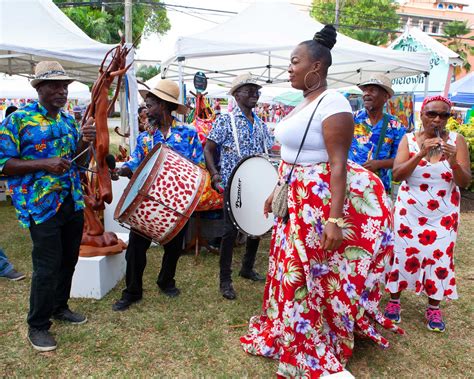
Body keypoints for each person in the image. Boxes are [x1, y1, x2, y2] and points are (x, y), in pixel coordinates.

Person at [240, 25, 402, 377]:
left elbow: (338, 164)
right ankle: (289, 331)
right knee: (288, 270)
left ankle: (309, 344)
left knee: (304, 275)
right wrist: (276, 191)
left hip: (315, 204)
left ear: (316, 67)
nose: (289, 69)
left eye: (295, 62)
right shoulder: (305, 102)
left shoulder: (335, 104)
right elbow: (292, 154)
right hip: (293, 198)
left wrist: (334, 220)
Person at [0, 61, 95, 352]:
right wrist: (45, 163)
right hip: (40, 206)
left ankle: (59, 306)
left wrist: (83, 142)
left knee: (69, 259)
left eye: (65, 86)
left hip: (71, 201)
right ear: (39, 88)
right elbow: (4, 164)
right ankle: (37, 326)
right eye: (54, 86)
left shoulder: (67, 121)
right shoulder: (18, 121)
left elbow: (77, 162)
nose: (62, 91)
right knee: (46, 266)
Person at [112, 79, 204, 311]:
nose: (146, 109)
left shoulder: (188, 134)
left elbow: (198, 166)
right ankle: (132, 291)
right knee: (135, 248)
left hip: (177, 203)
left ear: (163, 106)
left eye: (150, 104)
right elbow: (134, 163)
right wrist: (121, 170)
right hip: (148, 205)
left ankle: (166, 281)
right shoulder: (145, 138)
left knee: (173, 248)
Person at [384, 96, 471, 332]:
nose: (437, 119)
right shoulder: (408, 140)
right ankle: (394, 302)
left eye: (444, 115)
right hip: (409, 211)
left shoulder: (457, 141)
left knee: (440, 258)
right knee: (401, 253)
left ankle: (434, 307)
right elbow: (397, 175)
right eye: (432, 114)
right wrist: (420, 153)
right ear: (422, 114)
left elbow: (464, 181)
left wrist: (453, 160)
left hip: (443, 214)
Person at [204, 73, 274, 300]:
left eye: (257, 90)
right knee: (230, 231)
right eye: (249, 89)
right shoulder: (226, 121)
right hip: (235, 184)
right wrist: (215, 175)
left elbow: (269, 150)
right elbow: (208, 148)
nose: (254, 93)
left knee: (257, 227)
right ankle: (225, 280)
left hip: (258, 183)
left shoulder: (261, 124)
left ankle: (247, 267)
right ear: (236, 95)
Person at [348, 73, 407, 193]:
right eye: (365, 91)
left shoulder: (395, 125)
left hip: (378, 188)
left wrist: (379, 164)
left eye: (372, 90)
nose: (366, 94)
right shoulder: (351, 119)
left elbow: (401, 159)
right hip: (350, 186)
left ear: (385, 97)